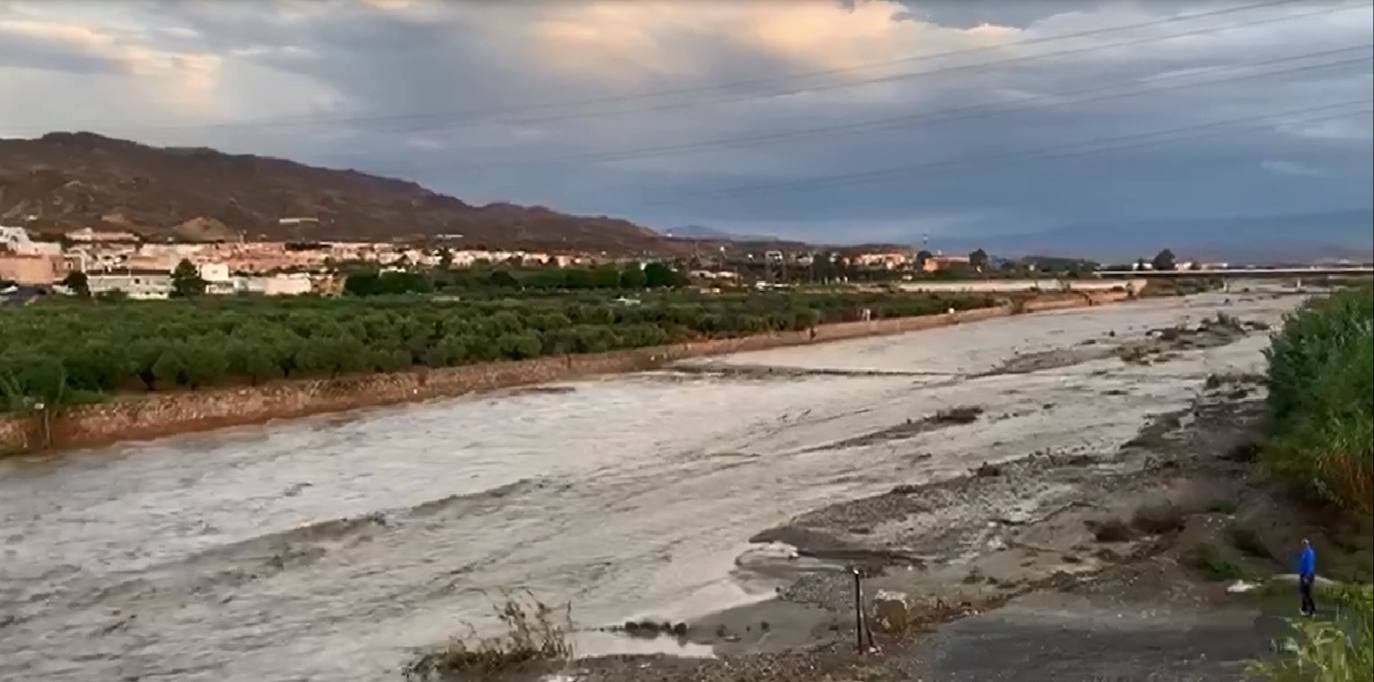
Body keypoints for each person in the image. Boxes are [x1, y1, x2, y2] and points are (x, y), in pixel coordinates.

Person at [1298, 538, 1317, 616]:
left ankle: (1312, 610)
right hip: (1303, 575)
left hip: (1307, 575)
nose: (1303, 545)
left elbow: (1310, 566)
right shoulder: (1304, 552)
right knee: (1303, 592)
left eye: (1304, 544)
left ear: (1307, 544)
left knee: (1307, 593)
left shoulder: (1309, 553)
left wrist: (1307, 576)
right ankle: (1304, 609)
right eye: (1302, 544)